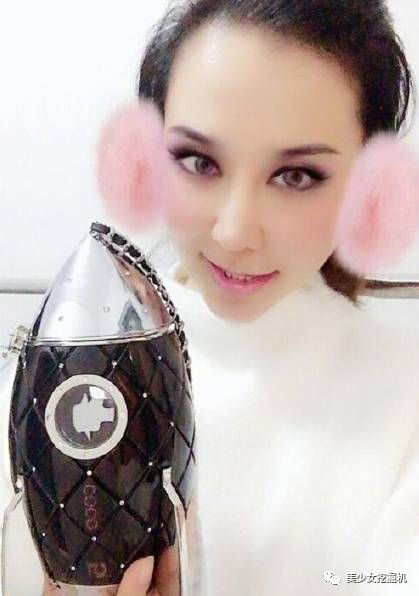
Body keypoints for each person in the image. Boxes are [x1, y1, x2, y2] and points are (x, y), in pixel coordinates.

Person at [1, 0, 419, 594]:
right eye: (198, 161)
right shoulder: (67, 366)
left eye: (297, 175)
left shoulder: (404, 398)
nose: (233, 232)